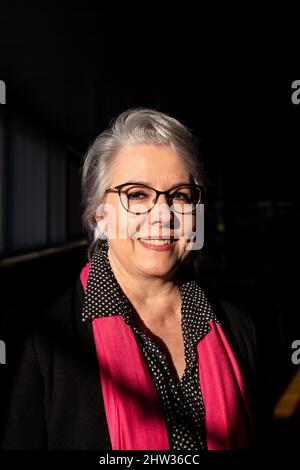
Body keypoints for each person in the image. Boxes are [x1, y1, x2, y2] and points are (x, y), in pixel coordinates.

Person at [0, 108, 261, 450]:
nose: (162, 215)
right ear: (100, 215)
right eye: (137, 195)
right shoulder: (38, 343)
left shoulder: (237, 327)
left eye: (180, 196)